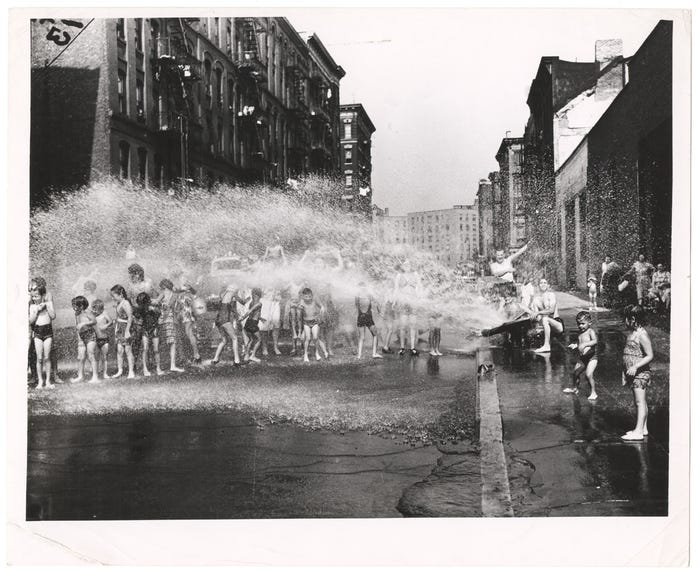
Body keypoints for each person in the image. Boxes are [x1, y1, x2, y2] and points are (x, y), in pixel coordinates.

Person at [621, 305, 654, 441]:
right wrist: (624, 372)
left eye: (626, 319)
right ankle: (644, 428)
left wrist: (635, 366)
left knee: (640, 402)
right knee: (640, 402)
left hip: (640, 373)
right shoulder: (632, 333)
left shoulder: (642, 335)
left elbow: (650, 355)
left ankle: (638, 431)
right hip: (632, 373)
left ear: (633, 319)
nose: (625, 322)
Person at [564, 311, 598, 400]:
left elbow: (595, 341)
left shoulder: (591, 331)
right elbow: (580, 343)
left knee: (588, 374)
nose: (580, 326)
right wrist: (575, 345)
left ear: (589, 323)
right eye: (579, 324)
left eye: (583, 324)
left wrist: (585, 344)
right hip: (582, 359)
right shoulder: (580, 334)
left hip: (592, 358)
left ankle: (593, 392)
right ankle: (575, 388)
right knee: (575, 373)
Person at [154, 279, 184, 373]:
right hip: (169, 319)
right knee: (171, 343)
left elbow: (157, 303)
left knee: (167, 342)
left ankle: (167, 365)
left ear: (165, 287)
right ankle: (170, 365)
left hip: (165, 319)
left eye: (162, 287)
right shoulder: (173, 295)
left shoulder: (166, 294)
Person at [29, 286, 55, 389]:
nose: (34, 298)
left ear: (43, 295)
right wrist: (37, 311)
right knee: (39, 358)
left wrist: (47, 307)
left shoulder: (49, 303)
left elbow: (53, 317)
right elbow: (31, 321)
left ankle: (48, 381)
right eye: (33, 297)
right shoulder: (32, 307)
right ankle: (40, 381)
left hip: (48, 331)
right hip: (38, 332)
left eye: (37, 296)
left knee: (47, 357)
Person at [70, 295, 100, 383]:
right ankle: (80, 376)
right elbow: (77, 327)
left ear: (81, 306)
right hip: (82, 337)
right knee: (80, 357)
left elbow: (94, 321)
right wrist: (79, 339)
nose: (73, 307)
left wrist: (84, 324)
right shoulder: (76, 314)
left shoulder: (87, 313)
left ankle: (95, 377)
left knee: (91, 355)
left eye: (75, 306)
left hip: (90, 336)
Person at [531, 278, 564, 353]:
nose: (543, 284)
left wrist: (538, 313)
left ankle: (547, 346)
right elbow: (538, 318)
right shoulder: (536, 300)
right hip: (546, 328)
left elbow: (551, 311)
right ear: (538, 286)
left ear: (548, 285)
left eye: (545, 283)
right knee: (535, 328)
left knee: (545, 319)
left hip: (557, 324)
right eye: (541, 283)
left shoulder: (551, 295)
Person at [110, 285, 136, 379]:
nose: (113, 298)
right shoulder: (119, 303)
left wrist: (128, 331)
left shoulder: (126, 303)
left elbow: (130, 317)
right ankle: (120, 370)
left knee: (128, 350)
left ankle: (131, 371)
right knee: (120, 350)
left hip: (126, 327)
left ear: (120, 294)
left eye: (114, 296)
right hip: (119, 328)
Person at [211, 285, 241, 366]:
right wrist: (249, 298)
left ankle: (215, 359)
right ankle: (237, 360)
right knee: (234, 338)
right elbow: (243, 301)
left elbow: (228, 307)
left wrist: (235, 313)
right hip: (225, 320)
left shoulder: (223, 295)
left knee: (224, 340)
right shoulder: (233, 293)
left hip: (218, 320)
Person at [299, 287, 329, 362]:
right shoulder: (302, 302)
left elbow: (322, 306)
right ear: (303, 296)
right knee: (308, 338)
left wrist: (322, 309)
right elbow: (300, 315)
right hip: (306, 322)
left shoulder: (314, 300)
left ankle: (317, 353)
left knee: (315, 337)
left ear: (312, 296)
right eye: (306, 297)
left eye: (309, 296)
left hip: (314, 321)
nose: (308, 298)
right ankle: (305, 355)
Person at [135, 292, 162, 376]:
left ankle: (158, 368)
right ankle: (145, 369)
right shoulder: (141, 308)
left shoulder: (152, 305)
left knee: (156, 349)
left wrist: (153, 309)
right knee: (145, 349)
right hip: (145, 329)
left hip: (154, 328)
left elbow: (159, 312)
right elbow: (137, 315)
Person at [355, 283, 381, 359]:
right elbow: (376, 303)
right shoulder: (369, 295)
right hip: (368, 317)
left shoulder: (357, 296)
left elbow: (356, 306)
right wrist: (379, 312)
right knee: (375, 334)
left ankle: (359, 356)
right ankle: (374, 353)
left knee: (362, 337)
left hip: (360, 317)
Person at [241, 287, 264, 363]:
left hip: (249, 322)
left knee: (251, 339)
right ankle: (252, 355)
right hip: (253, 323)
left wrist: (260, 318)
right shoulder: (259, 304)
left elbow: (253, 314)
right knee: (258, 340)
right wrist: (242, 318)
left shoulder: (251, 303)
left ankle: (246, 356)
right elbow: (249, 312)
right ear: (258, 295)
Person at [92, 299, 113, 380]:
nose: (94, 311)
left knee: (105, 357)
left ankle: (105, 373)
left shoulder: (104, 314)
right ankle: (95, 373)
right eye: (93, 309)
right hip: (95, 339)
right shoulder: (92, 316)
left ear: (101, 309)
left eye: (95, 309)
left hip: (104, 339)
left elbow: (111, 321)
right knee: (96, 357)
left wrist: (106, 326)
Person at [259, 287, 282, 356]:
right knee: (264, 325)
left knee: (276, 324)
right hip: (265, 300)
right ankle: (264, 347)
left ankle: (275, 347)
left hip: (276, 301)